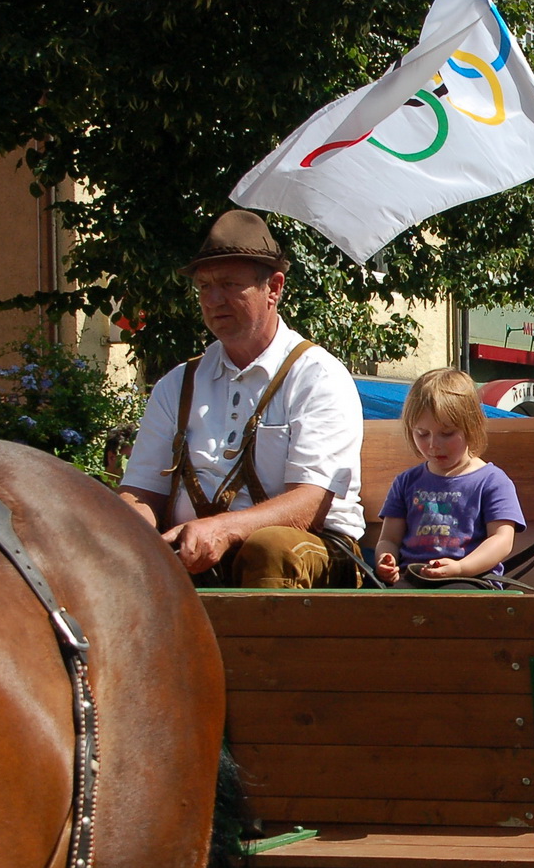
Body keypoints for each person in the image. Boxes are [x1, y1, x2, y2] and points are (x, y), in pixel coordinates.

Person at [118, 210, 366, 587]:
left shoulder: (317, 376)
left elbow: (310, 506)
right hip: (193, 553)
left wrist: (222, 529)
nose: (214, 300)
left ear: (275, 288)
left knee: (268, 550)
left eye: (230, 285)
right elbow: (141, 493)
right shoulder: (177, 384)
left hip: (312, 554)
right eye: (204, 287)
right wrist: (118, 530)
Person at [373, 369, 524, 588]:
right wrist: (386, 559)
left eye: (447, 433)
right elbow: (389, 539)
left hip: (471, 579)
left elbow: (502, 540)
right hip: (412, 578)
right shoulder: (406, 482)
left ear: (471, 427)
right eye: (422, 434)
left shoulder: (492, 481)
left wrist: (461, 568)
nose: (434, 444)